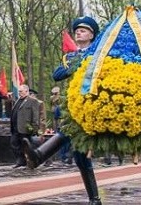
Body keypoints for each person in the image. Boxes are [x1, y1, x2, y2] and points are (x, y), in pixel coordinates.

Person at [22, 16, 102, 205]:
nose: (78, 32)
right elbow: (57, 74)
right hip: (76, 102)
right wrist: (76, 63)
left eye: (83, 30)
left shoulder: (99, 52)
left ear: (92, 35)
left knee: (68, 130)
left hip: (93, 101)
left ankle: (40, 155)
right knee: (80, 157)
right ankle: (95, 199)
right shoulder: (71, 56)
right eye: (77, 30)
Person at [10, 84, 40, 168]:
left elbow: (35, 115)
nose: (19, 93)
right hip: (15, 127)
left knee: (29, 145)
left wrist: (34, 127)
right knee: (14, 143)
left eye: (21, 91)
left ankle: (35, 160)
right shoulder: (17, 100)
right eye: (19, 91)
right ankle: (21, 160)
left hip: (25, 128)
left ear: (26, 91)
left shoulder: (32, 101)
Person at [50, 86, 73, 165]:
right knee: (66, 142)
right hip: (65, 126)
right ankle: (65, 157)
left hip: (65, 126)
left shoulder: (59, 107)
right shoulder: (58, 105)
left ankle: (65, 157)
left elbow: (56, 117)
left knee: (65, 142)